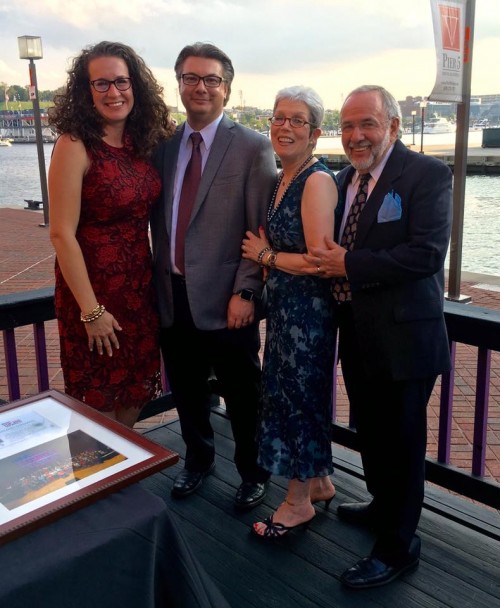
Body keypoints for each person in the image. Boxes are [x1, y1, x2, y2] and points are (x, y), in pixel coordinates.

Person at [306, 85, 453, 588]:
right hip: (359, 336)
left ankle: (398, 546)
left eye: (366, 123)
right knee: (371, 431)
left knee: (403, 444)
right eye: (347, 126)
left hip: (407, 341)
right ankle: (381, 507)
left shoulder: (427, 175)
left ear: (392, 125)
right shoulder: (345, 179)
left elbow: (426, 255)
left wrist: (349, 263)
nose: (355, 135)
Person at [150, 42, 277, 509]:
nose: (200, 87)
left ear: (227, 87)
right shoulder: (163, 146)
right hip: (172, 293)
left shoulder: (252, 146)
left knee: (244, 393)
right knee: (185, 388)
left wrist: (248, 290)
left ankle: (253, 471)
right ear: (179, 84)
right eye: (190, 78)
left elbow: (259, 228)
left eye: (211, 79)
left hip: (229, 299)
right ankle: (197, 461)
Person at [48, 41, 173, 427]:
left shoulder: (142, 142)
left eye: (121, 81)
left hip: (138, 290)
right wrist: (91, 311)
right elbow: (60, 234)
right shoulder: (74, 145)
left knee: (134, 392)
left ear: (135, 85)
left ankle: (120, 484)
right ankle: (99, 486)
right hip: (93, 295)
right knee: (96, 410)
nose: (114, 92)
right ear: (85, 92)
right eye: (101, 84)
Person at [241, 86, 339, 537]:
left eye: (297, 120)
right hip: (285, 312)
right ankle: (317, 482)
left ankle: (297, 503)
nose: (284, 126)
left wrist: (265, 258)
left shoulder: (316, 180)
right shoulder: (284, 177)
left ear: (315, 132)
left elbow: (321, 260)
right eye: (279, 117)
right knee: (288, 394)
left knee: (298, 401)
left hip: (307, 317)